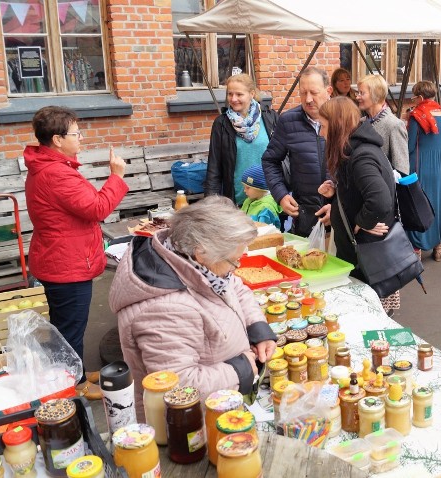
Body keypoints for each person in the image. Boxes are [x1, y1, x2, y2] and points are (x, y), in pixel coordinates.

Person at [109, 196, 278, 419]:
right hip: (190, 423)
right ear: (201, 252)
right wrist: (241, 369)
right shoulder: (163, 309)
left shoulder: (194, 264)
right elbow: (178, 387)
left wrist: (257, 328)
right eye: (234, 261)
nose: (236, 267)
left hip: (220, 401)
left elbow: (234, 286)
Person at [24, 106, 128, 401]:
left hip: (60, 257)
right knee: (70, 327)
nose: (80, 138)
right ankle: (74, 384)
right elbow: (97, 208)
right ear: (57, 139)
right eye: (75, 133)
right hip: (66, 264)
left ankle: (74, 370)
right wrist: (116, 176)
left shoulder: (51, 167)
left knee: (65, 324)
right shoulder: (56, 174)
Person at [317, 97, 396, 281]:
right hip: (359, 253)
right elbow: (358, 194)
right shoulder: (354, 150)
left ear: (337, 126)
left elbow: (379, 201)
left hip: (364, 255)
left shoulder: (361, 157)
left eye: (323, 126)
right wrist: (337, 197)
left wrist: (363, 221)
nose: (321, 133)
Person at [261, 66, 332, 237]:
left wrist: (338, 207)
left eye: (313, 92)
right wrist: (281, 195)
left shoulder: (344, 119)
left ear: (328, 91)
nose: (308, 99)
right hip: (305, 216)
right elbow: (270, 161)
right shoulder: (288, 121)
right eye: (303, 93)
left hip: (340, 216)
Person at [204, 74, 277, 204]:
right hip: (237, 200)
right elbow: (214, 167)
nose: (233, 99)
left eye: (239, 94)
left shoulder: (270, 118)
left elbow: (282, 158)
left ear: (252, 94)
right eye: (230, 94)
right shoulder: (221, 124)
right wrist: (210, 203)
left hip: (269, 200)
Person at [406, 80, 441, 261]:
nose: (413, 101)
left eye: (414, 97)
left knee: (417, 205)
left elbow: (409, 146)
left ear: (421, 97)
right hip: (438, 165)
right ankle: (438, 245)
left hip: (419, 164)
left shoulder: (417, 115)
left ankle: (416, 247)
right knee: (436, 203)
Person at [356, 75, 409, 174]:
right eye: (357, 92)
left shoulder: (394, 125)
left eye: (361, 93)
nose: (357, 97)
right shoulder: (360, 123)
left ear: (375, 95)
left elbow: (402, 169)